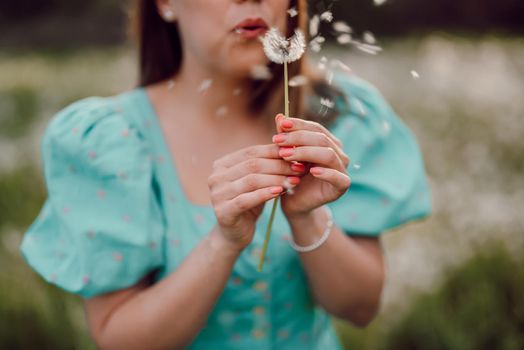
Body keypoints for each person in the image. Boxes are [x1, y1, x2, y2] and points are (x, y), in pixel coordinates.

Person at [19, 0, 432, 348]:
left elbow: (360, 308)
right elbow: (117, 337)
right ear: (164, 3)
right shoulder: (112, 142)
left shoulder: (335, 114)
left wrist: (307, 216)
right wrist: (224, 243)